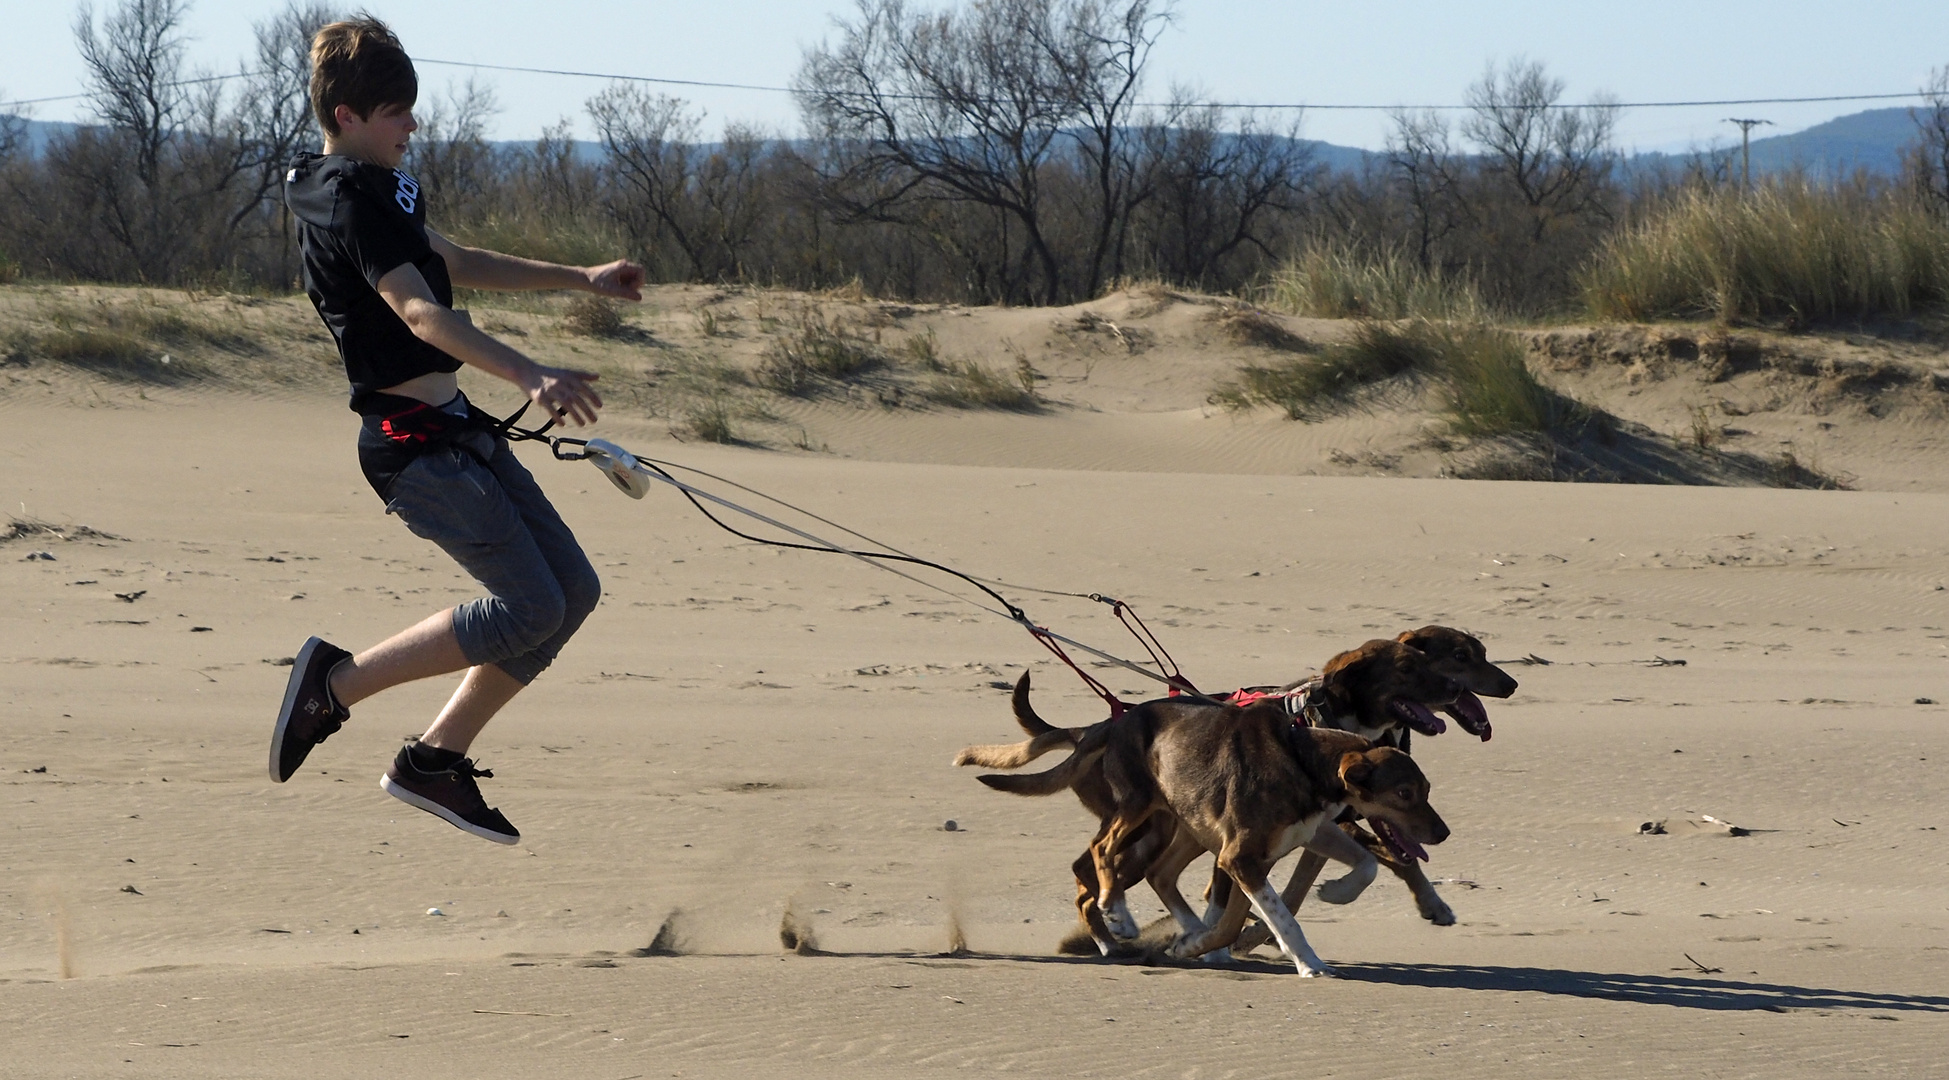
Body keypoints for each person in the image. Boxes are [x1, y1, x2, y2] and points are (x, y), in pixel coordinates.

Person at [268, 16, 644, 844]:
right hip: (412, 450)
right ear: (347, 117)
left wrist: (582, 278)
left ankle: (434, 760)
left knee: (571, 594)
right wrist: (530, 374)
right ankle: (336, 685)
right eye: (396, 111)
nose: (412, 124)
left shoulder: (380, 191)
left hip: (454, 428)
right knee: (529, 603)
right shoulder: (346, 202)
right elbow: (419, 309)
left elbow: (455, 262)